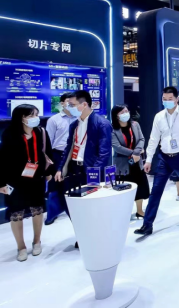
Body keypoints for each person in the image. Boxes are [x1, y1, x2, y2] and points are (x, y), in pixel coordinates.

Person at [135, 87, 179, 236]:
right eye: (164, 99)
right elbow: (153, 138)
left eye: (170, 99)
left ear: (177, 99)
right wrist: (148, 159)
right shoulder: (159, 116)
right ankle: (147, 224)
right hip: (164, 157)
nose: (167, 101)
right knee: (156, 190)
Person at [55, 90, 113, 248]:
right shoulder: (74, 125)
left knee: (93, 207)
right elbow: (68, 148)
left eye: (72, 105)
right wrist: (60, 168)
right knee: (74, 205)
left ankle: (97, 235)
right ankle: (82, 234)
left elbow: (104, 152)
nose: (69, 107)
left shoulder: (102, 123)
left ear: (84, 104)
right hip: (75, 169)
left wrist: (94, 173)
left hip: (92, 171)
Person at [0, 104, 54, 261]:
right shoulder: (10, 134)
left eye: (36, 114)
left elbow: (48, 153)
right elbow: (2, 160)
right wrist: (1, 183)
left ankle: (37, 241)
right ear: (22, 118)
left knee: (37, 210)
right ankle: (21, 246)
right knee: (16, 213)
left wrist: (49, 172)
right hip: (15, 180)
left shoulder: (41, 132)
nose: (36, 118)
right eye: (32, 115)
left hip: (36, 179)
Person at [110, 105, 149, 218]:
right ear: (116, 115)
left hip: (137, 162)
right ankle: (124, 213)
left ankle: (139, 211)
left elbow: (141, 139)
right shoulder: (112, 129)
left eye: (126, 111)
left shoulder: (135, 125)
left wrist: (136, 154)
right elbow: (117, 147)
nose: (125, 114)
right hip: (122, 163)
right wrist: (134, 153)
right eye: (122, 112)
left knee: (140, 186)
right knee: (124, 188)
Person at [44, 92, 77, 225]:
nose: (71, 104)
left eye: (73, 102)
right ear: (62, 103)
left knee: (73, 182)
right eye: (68, 102)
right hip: (58, 154)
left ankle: (73, 210)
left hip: (75, 155)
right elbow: (48, 142)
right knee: (55, 184)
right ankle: (52, 214)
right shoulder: (54, 120)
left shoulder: (79, 118)